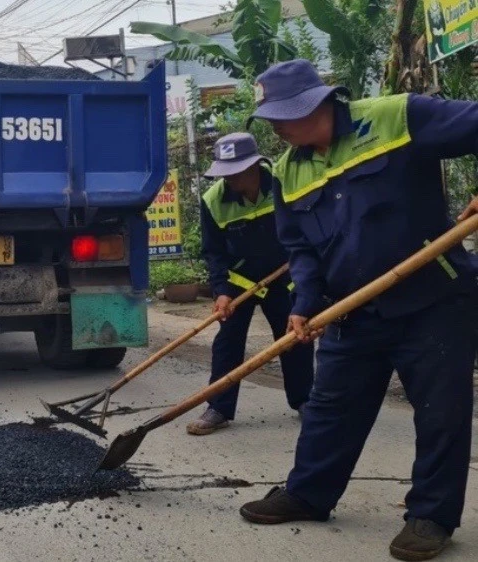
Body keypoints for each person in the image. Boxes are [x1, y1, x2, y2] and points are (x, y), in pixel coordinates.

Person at [237, 59, 478, 561]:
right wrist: (304, 306)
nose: (276, 129)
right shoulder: (287, 170)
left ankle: (431, 516)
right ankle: (309, 493)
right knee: (330, 408)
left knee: (441, 412)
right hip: (351, 310)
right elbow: (301, 250)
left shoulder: (397, 116)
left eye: (282, 116)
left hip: (432, 300)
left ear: (314, 103)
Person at [187, 132, 314, 436]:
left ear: (253, 167)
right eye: (224, 173)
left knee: (293, 338)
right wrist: (220, 292)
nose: (228, 179)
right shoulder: (213, 200)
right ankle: (219, 406)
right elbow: (214, 252)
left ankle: (305, 400)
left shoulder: (283, 186)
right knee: (228, 343)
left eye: (234, 173)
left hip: (285, 278)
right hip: (239, 283)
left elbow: (305, 228)